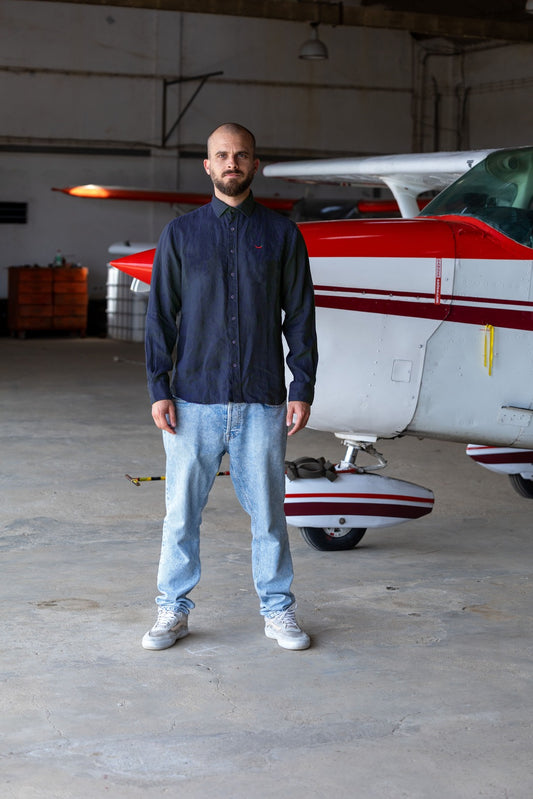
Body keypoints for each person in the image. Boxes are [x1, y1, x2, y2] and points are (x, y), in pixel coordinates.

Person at [142, 122, 318, 652]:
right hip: (193, 400)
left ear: (254, 164)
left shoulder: (283, 235)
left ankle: (278, 610)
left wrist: (301, 385)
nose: (232, 163)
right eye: (222, 155)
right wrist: (158, 387)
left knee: (269, 514)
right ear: (208, 165)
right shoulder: (181, 234)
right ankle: (171, 609)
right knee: (180, 515)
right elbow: (160, 318)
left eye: (241, 155)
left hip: (261, 399)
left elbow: (301, 317)